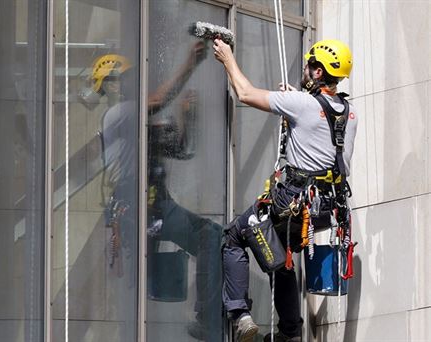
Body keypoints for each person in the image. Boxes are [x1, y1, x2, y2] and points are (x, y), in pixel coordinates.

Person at [212, 38, 358, 342]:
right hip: (325, 207)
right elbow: (321, 125)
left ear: (318, 73)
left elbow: (246, 93)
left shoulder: (303, 105)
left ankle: (240, 314)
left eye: (309, 65)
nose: (305, 69)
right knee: (283, 260)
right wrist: (296, 103)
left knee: (234, 235)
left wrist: (227, 58)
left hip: (291, 200)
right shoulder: (348, 112)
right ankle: (290, 334)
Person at [82, 43, 223, 341]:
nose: (134, 84)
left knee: (210, 237)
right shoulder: (117, 115)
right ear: (111, 86)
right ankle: (202, 319)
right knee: (206, 237)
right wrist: (190, 63)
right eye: (125, 79)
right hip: (134, 205)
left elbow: (181, 149)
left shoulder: (137, 123)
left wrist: (188, 117)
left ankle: (206, 319)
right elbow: (159, 100)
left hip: (155, 205)